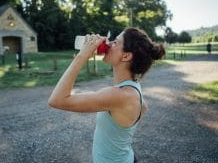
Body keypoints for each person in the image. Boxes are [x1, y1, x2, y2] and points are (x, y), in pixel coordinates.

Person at [48, 27, 165, 162]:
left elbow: (57, 100)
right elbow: (144, 107)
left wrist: (82, 55)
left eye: (115, 42)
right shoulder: (132, 89)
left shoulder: (119, 95)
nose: (108, 43)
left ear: (126, 56)